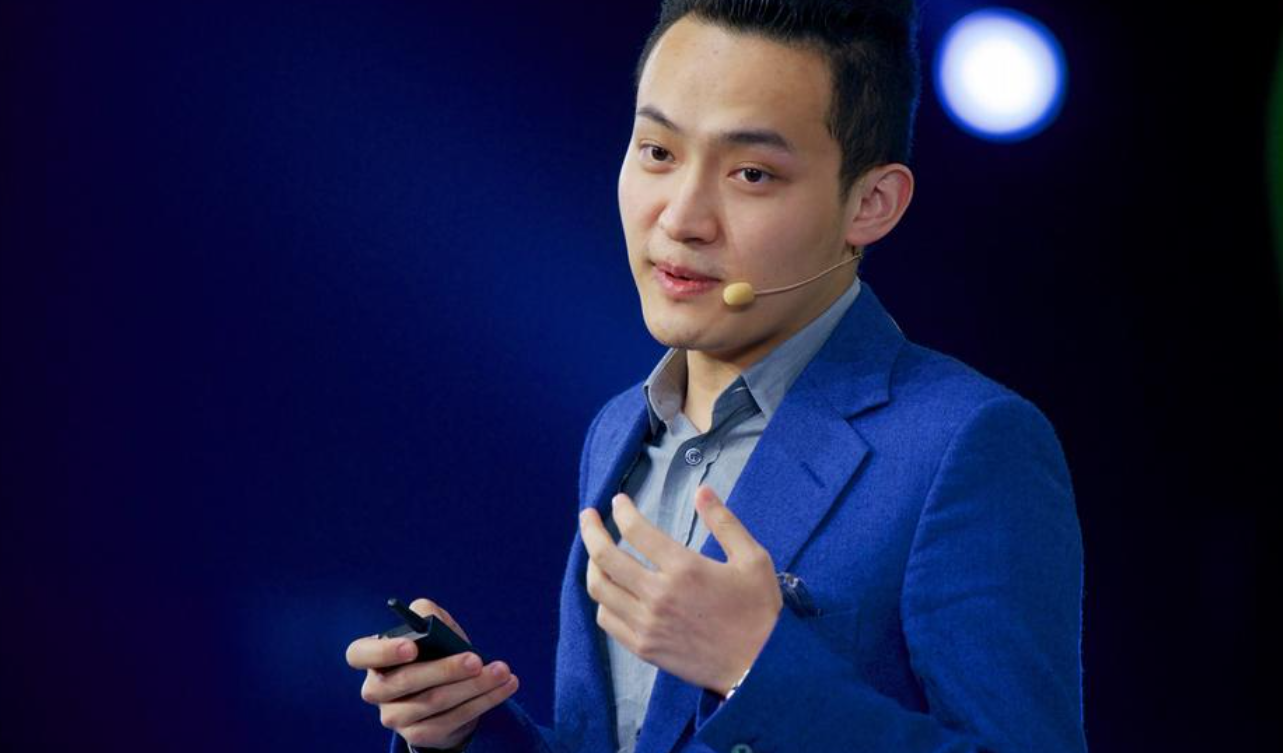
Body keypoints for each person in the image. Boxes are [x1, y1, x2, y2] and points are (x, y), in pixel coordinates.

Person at [346, 1, 1088, 751]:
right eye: (657, 152)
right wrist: (464, 731)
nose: (681, 218)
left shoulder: (966, 443)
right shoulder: (619, 428)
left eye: (751, 173)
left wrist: (752, 667)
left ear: (870, 203)